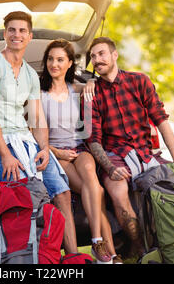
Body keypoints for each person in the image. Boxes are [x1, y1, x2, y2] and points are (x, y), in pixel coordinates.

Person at [83, 37, 174, 259]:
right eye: (93, 57)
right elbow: (93, 140)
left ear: (115, 55)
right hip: (115, 156)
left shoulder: (139, 81)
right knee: (119, 194)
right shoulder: (92, 94)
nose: (97, 60)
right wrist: (110, 168)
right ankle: (141, 247)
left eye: (101, 54)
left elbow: (162, 122)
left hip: (146, 154)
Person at [0, 11, 79, 255]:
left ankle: (73, 257)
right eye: (12, 29)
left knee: (62, 192)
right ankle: (21, 258)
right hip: (3, 143)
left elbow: (37, 118)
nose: (17, 35)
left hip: (28, 142)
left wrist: (44, 148)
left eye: (22, 30)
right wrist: (5, 154)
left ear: (30, 36)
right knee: (20, 199)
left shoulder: (31, 74)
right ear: (4, 33)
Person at [40, 39, 122, 264]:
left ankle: (98, 243)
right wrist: (57, 152)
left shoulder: (76, 89)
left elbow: (96, 84)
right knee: (97, 193)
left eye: (60, 60)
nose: (54, 64)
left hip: (80, 149)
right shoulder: (39, 94)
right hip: (58, 154)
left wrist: (92, 81)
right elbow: (34, 134)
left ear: (69, 64)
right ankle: (109, 253)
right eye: (50, 59)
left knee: (93, 184)